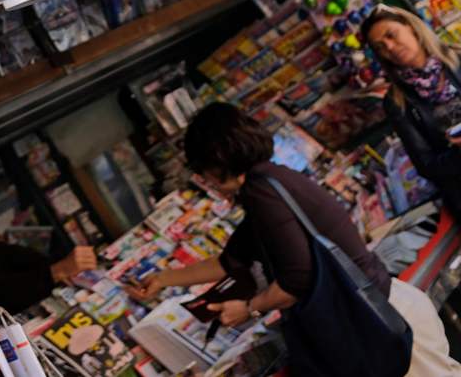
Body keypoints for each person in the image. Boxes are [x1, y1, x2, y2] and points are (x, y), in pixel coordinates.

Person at [126, 102, 459, 376]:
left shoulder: (262, 192)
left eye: (204, 171)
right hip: (379, 315)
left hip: (380, 323)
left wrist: (249, 309)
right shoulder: (269, 183)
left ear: (218, 161)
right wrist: (163, 279)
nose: (206, 181)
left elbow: (297, 280)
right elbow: (231, 260)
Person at [362, 4, 461, 219]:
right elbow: (427, 166)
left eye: (392, 35)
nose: (390, 46)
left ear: (411, 28)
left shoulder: (458, 58)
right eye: (380, 47)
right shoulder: (396, 101)